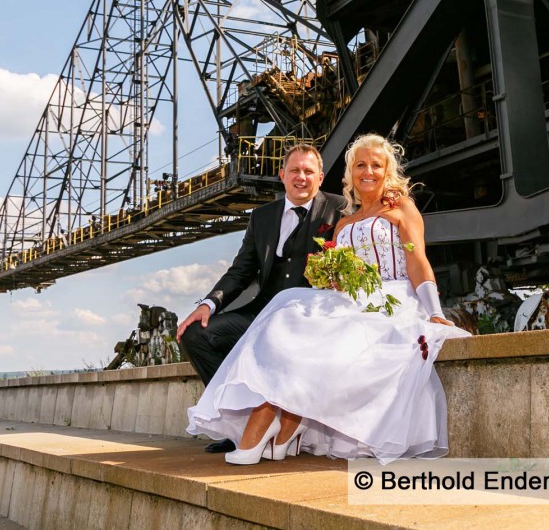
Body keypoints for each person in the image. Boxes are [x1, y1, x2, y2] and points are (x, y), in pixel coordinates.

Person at [186, 134, 471, 465]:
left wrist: (434, 312)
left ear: (387, 170)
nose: (368, 172)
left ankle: (274, 425)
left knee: (312, 331)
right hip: (344, 298)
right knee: (284, 315)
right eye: (360, 165)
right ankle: (269, 422)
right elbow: (244, 270)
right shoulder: (343, 222)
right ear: (349, 173)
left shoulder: (400, 208)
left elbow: (417, 261)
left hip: (389, 296)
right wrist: (332, 279)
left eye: (376, 165)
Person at [176, 143, 345, 453]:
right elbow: (240, 271)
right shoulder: (262, 216)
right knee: (196, 335)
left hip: (308, 317)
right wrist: (207, 304)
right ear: (282, 175)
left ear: (320, 177)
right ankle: (236, 427)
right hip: (262, 312)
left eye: (309, 172)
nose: (301, 177)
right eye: (294, 170)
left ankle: (265, 428)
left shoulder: (340, 209)